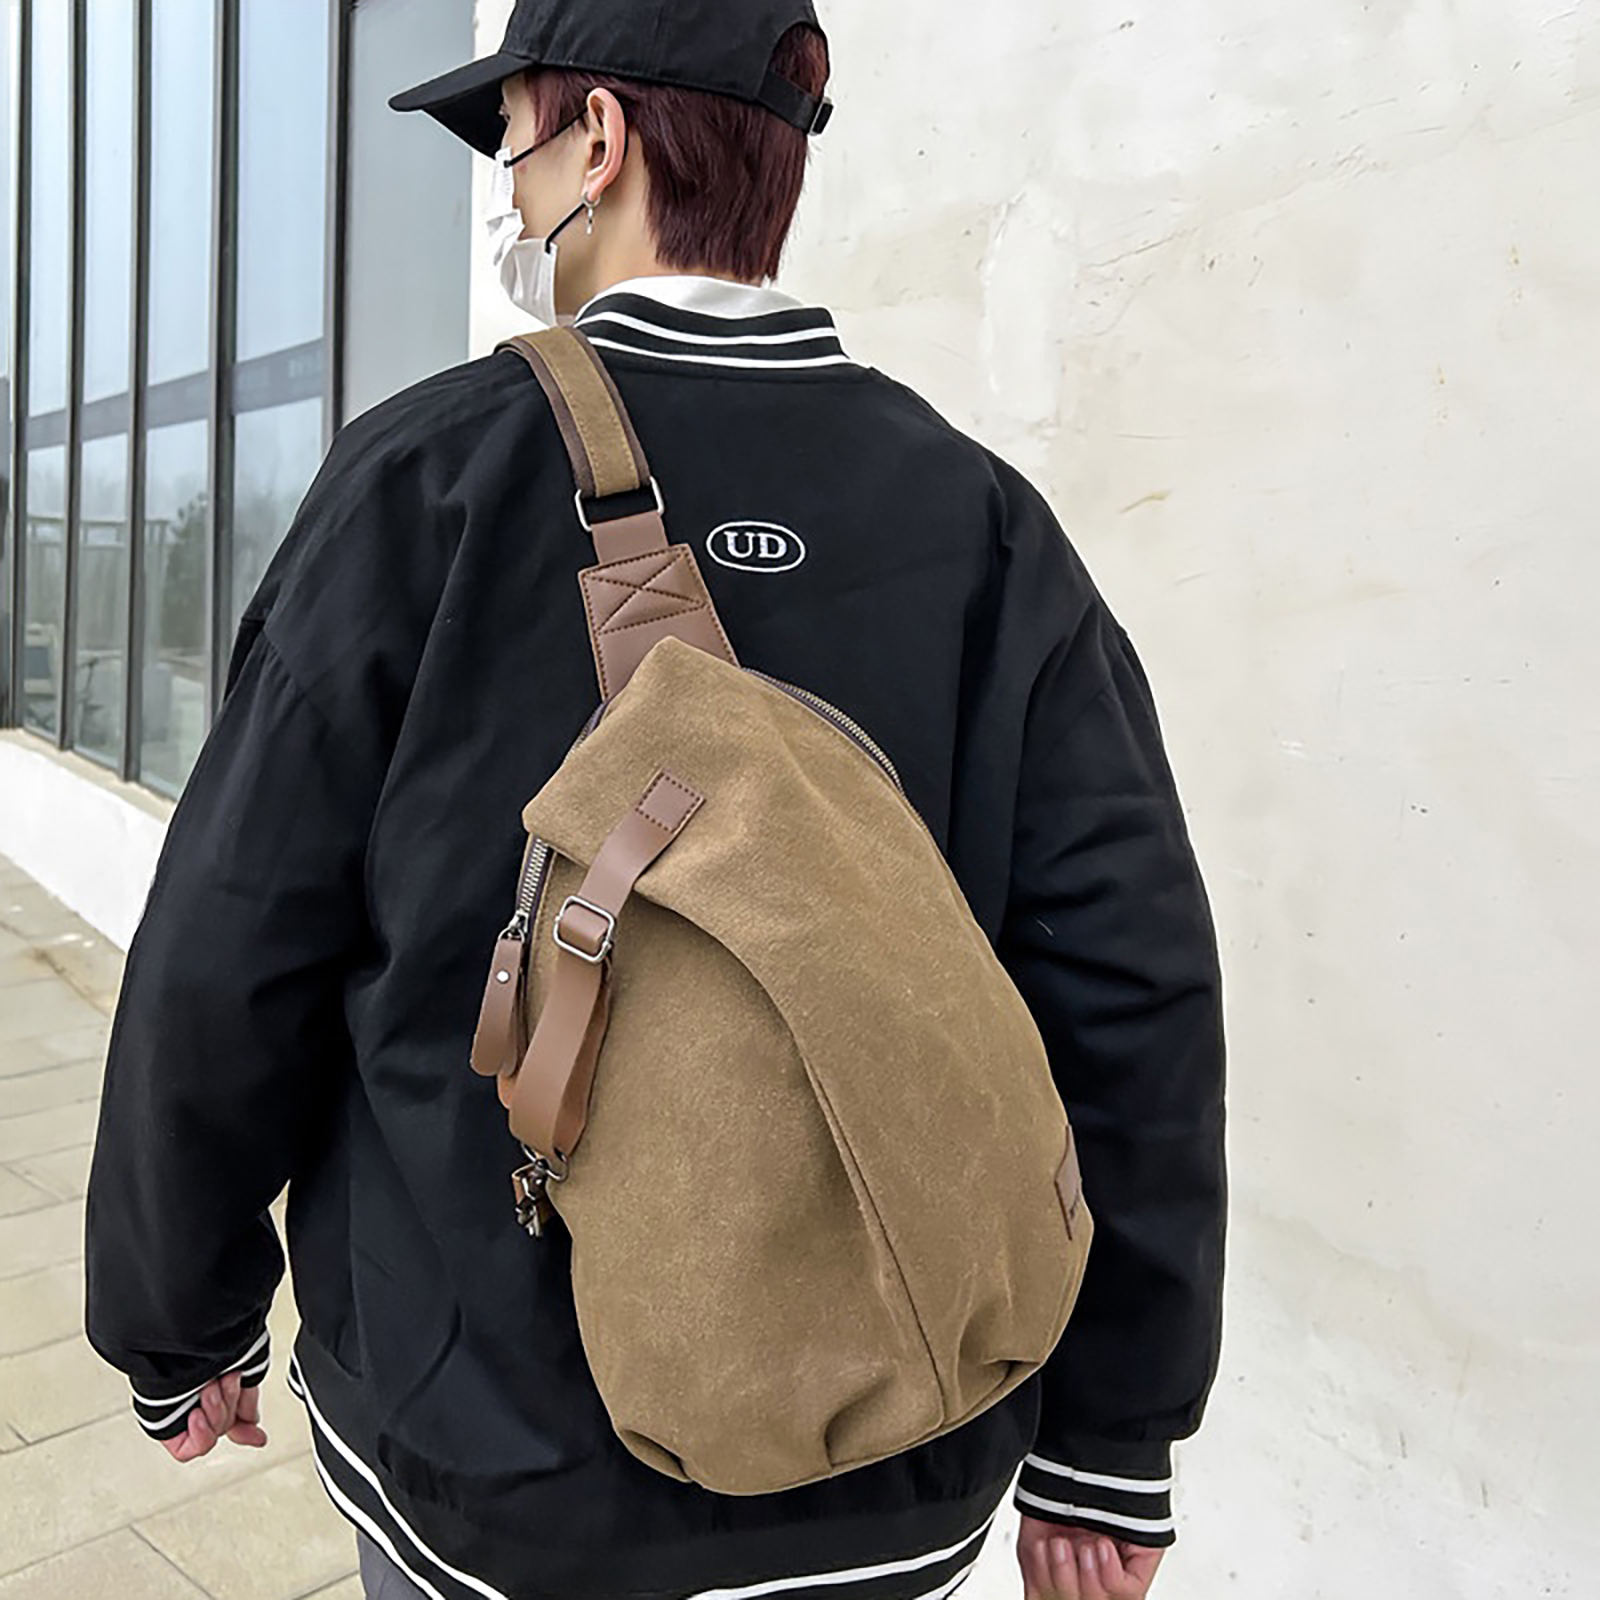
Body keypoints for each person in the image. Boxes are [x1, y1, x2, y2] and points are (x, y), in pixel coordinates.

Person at [81, 3, 1227, 1598]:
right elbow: (1127, 979)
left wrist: (182, 1318)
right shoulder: (984, 521)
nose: (508, 195)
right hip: (896, 1462)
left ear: (600, 142)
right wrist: (1111, 1438)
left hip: (497, 1464)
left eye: (514, 145)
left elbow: (233, 940)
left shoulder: (431, 481)